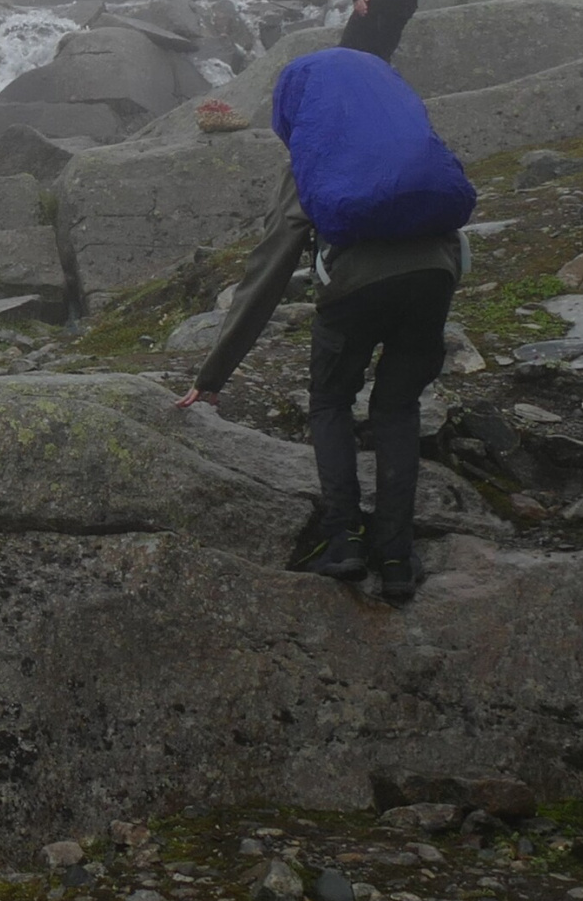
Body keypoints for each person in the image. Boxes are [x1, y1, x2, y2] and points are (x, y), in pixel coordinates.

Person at [176, 45, 474, 604]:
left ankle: (344, 540)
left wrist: (212, 376)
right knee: (397, 407)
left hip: (355, 288)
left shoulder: (314, 163)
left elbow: (269, 270)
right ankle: (397, 558)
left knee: (331, 400)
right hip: (433, 279)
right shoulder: (409, 139)